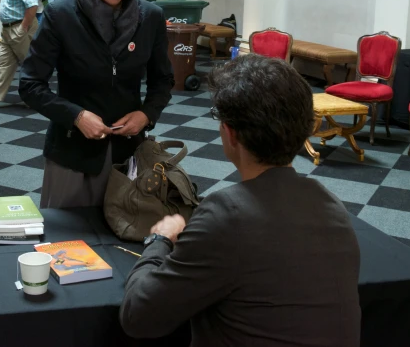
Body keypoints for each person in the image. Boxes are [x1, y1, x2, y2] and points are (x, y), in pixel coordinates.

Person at [120, 55, 361, 346]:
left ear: (230, 134)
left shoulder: (226, 214)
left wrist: (159, 241)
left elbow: (138, 316)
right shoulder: (330, 203)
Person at [19, 0, 174, 209]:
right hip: (72, 155)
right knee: (68, 247)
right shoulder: (61, 14)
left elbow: (162, 80)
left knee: (124, 243)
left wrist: (146, 115)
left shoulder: (150, 17)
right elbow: (30, 85)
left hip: (128, 157)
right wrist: (76, 116)